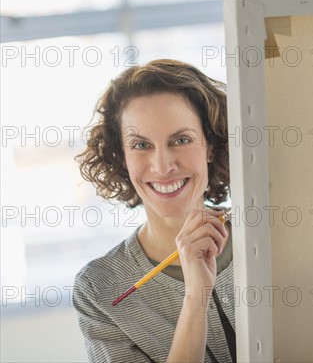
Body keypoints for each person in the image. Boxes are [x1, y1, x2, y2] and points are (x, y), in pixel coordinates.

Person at [73, 59, 235, 363]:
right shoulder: (99, 289)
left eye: (181, 140)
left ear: (210, 146)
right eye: (141, 145)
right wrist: (195, 296)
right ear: (121, 157)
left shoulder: (267, 232)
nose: (162, 167)